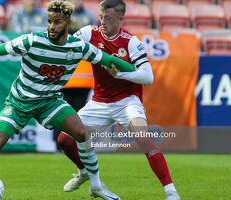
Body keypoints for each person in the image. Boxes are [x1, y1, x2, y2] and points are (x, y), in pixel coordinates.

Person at [0, 0, 135, 199]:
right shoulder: (32, 41)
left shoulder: (79, 47)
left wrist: (140, 70)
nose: (51, 26)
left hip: (49, 102)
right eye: (49, 21)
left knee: (81, 132)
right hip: (19, 102)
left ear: (67, 23)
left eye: (57, 22)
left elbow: (109, 60)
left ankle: (96, 186)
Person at [57, 0, 181, 200]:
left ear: (120, 19)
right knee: (65, 140)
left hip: (127, 101)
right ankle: (84, 172)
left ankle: (171, 191)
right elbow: (69, 44)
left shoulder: (131, 42)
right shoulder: (90, 33)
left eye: (109, 18)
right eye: (102, 17)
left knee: (143, 137)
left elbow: (148, 77)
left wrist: (121, 75)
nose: (103, 21)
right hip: (99, 102)